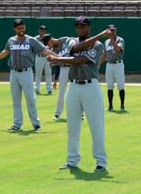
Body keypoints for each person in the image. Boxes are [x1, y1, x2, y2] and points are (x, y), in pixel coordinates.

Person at [47, 16, 112, 172]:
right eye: (78, 26)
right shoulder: (71, 41)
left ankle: (101, 162)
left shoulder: (98, 45)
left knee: (96, 127)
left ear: (89, 28)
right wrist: (59, 58)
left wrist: (57, 58)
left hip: (91, 86)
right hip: (74, 86)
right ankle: (72, 160)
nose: (80, 29)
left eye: (83, 26)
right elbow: (76, 49)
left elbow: (81, 59)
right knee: (72, 127)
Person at [0, 19, 54, 131]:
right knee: (16, 100)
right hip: (14, 72)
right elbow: (6, 52)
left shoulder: (31, 40)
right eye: (19, 28)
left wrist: (57, 57)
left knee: (30, 98)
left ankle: (36, 123)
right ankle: (17, 123)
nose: (21, 30)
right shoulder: (11, 40)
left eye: (22, 28)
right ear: (14, 29)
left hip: (26, 72)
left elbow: (44, 50)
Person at [42, 34, 72, 120]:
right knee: (61, 92)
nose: (48, 46)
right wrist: (55, 80)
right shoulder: (53, 51)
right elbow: (57, 66)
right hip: (64, 69)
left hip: (74, 68)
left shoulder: (65, 40)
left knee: (75, 91)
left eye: (47, 44)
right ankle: (57, 114)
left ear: (50, 40)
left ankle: (80, 114)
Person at [99, 24, 126, 112]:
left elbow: (118, 49)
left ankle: (122, 105)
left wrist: (113, 41)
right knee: (109, 85)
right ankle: (110, 105)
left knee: (120, 85)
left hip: (118, 64)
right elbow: (105, 54)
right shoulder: (106, 42)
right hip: (109, 64)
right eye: (110, 30)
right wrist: (98, 64)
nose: (112, 32)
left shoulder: (120, 39)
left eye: (113, 30)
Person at [34, 25, 52, 95]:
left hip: (47, 57)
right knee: (38, 74)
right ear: (39, 31)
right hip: (39, 57)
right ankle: (37, 89)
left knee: (48, 74)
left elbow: (52, 47)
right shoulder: (35, 39)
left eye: (44, 30)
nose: (42, 31)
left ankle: (49, 89)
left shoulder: (48, 38)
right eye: (41, 30)